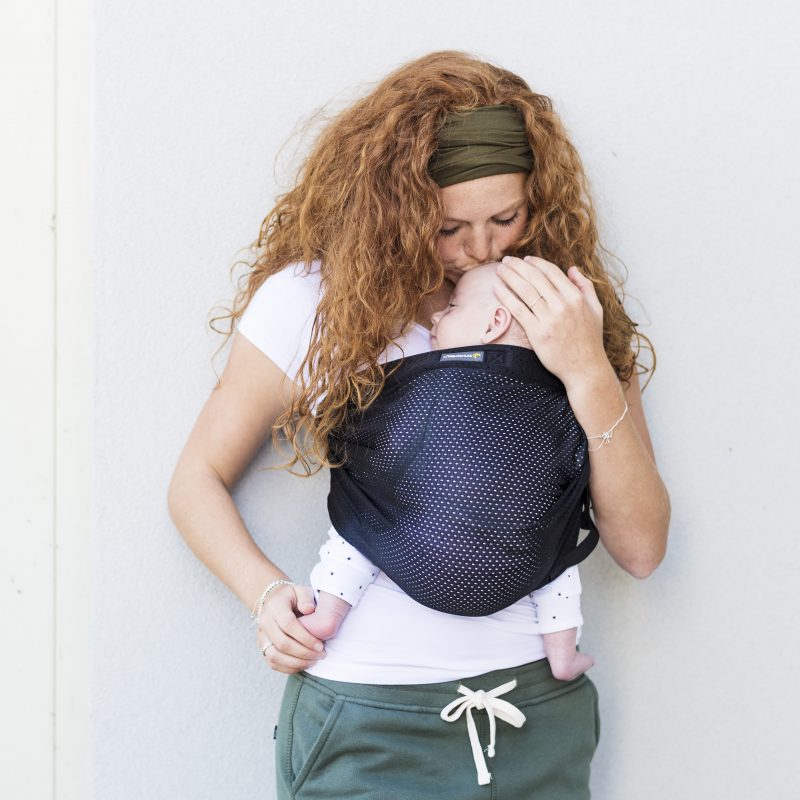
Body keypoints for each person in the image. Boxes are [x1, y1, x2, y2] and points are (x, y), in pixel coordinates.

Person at [168, 51, 670, 798]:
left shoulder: (565, 307)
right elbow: (195, 481)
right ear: (396, 210)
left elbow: (639, 548)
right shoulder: (315, 304)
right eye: (448, 228)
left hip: (532, 712)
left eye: (507, 216)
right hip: (366, 721)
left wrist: (586, 367)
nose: (483, 248)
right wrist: (268, 597)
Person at [301, 262, 595, 682]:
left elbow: (378, 438)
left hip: (411, 543)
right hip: (517, 559)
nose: (437, 315)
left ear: (495, 323)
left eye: (453, 306)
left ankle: (327, 610)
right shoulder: (557, 393)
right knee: (559, 549)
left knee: (365, 518)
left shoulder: (432, 375)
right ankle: (563, 652)